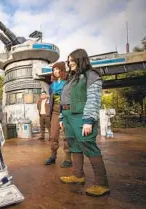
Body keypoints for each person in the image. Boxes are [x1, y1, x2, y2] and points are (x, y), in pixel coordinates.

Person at [59, 49, 110, 196]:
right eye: (68, 61)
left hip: (81, 115)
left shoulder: (91, 75)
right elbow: (65, 99)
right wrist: (62, 117)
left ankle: (102, 183)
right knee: (73, 144)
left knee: (87, 144)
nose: (69, 64)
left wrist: (88, 120)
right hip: (68, 115)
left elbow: (93, 99)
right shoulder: (72, 78)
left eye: (72, 61)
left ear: (81, 59)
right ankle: (78, 175)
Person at [44, 62, 73, 168]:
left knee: (67, 135)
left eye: (58, 69)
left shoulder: (68, 83)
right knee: (53, 135)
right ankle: (53, 156)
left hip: (66, 110)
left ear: (62, 70)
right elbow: (51, 100)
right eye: (54, 70)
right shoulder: (52, 85)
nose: (55, 72)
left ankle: (68, 159)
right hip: (55, 111)